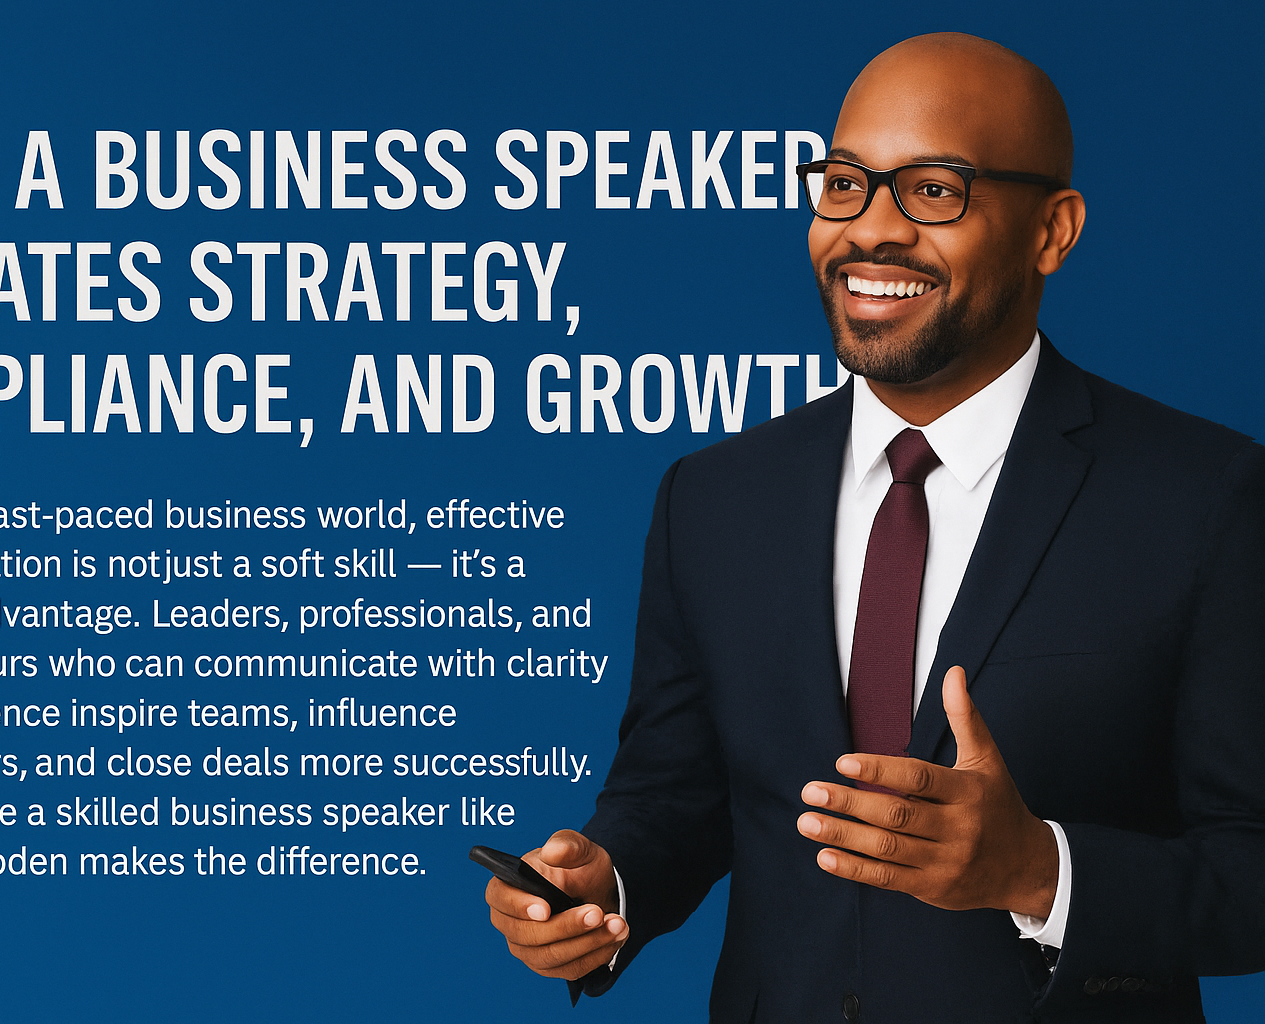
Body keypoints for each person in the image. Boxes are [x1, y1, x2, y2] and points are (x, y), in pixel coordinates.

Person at [484, 32, 1265, 1023]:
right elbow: (676, 798)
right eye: (845, 183)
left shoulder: (1206, 497)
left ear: (1052, 231)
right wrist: (608, 885)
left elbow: (1251, 867)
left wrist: (1042, 871)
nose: (871, 231)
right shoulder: (712, 497)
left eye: (932, 190)